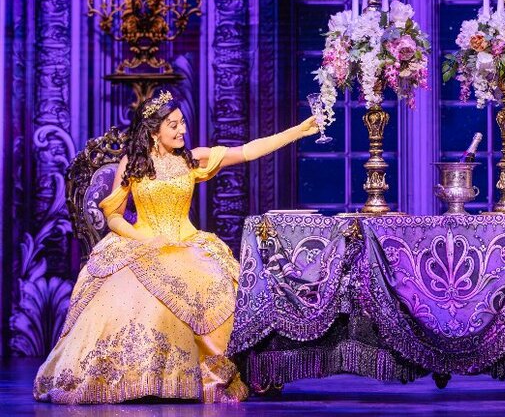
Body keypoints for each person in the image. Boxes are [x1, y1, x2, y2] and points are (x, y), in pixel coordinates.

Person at [34, 90, 319, 403]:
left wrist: (297, 132)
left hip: (186, 242)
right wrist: (145, 239)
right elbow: (113, 216)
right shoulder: (133, 164)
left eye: (182, 123)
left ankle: (207, 376)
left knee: (217, 282)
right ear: (155, 131)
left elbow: (248, 151)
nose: (182, 129)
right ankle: (140, 379)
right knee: (127, 295)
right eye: (173, 125)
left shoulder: (191, 159)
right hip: (141, 241)